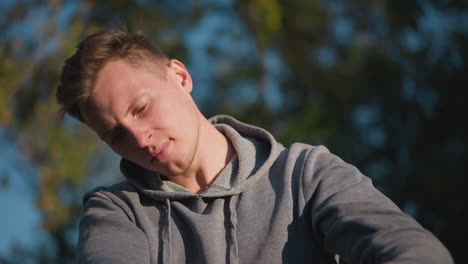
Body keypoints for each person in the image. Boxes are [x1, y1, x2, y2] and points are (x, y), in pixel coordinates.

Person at [56, 28, 453, 264]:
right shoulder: (117, 213)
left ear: (179, 76)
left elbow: (405, 247)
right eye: (116, 135)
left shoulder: (305, 174)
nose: (139, 138)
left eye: (141, 108)